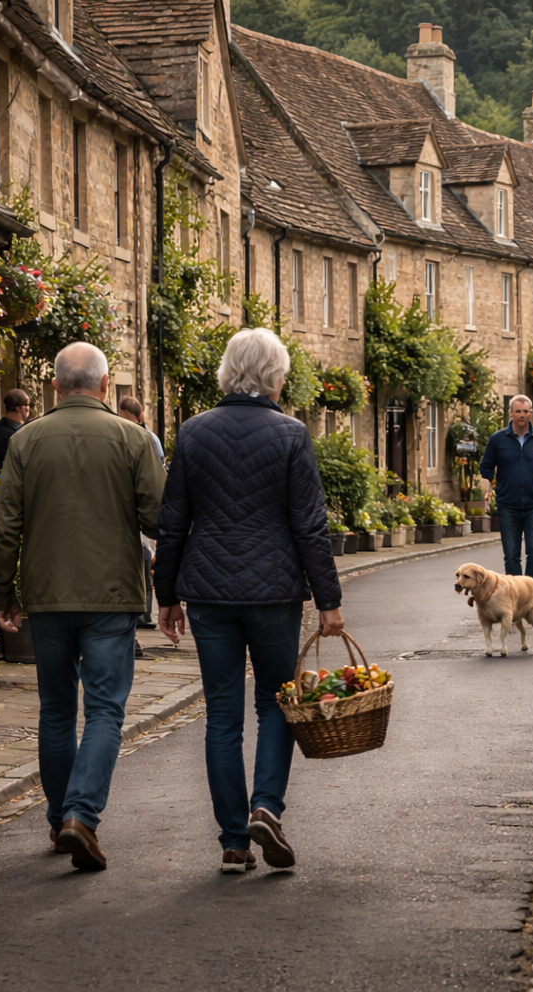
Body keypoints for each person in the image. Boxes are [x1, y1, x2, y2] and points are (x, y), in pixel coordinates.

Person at [155, 328, 343, 874]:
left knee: (221, 714)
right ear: (274, 377)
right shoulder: (290, 434)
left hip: (209, 592)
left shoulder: (192, 433)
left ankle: (234, 842)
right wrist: (328, 601)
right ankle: (267, 806)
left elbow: (173, 524)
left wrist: (166, 595)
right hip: (273, 592)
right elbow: (309, 526)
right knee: (276, 702)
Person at [0, 344, 164, 871]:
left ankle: (59, 814)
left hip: (46, 594)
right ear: (106, 387)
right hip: (111, 596)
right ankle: (80, 816)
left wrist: (2, 594)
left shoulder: (25, 440)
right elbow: (159, 519)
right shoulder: (134, 439)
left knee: (57, 708)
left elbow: (3, 528)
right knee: (106, 708)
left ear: (57, 388)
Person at [478, 395, 533, 581]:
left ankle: (530, 593)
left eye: (526, 411)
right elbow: (486, 467)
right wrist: (487, 488)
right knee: (512, 554)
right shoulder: (498, 440)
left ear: (531, 413)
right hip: (507, 504)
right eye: (518, 411)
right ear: (510, 413)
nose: (522, 415)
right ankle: (515, 595)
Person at [118, 396, 165, 633]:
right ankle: (140, 613)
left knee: (144, 561)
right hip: (134, 514)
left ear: (134, 416)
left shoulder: (147, 439)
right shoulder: (141, 437)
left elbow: (154, 480)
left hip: (137, 513)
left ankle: (143, 613)